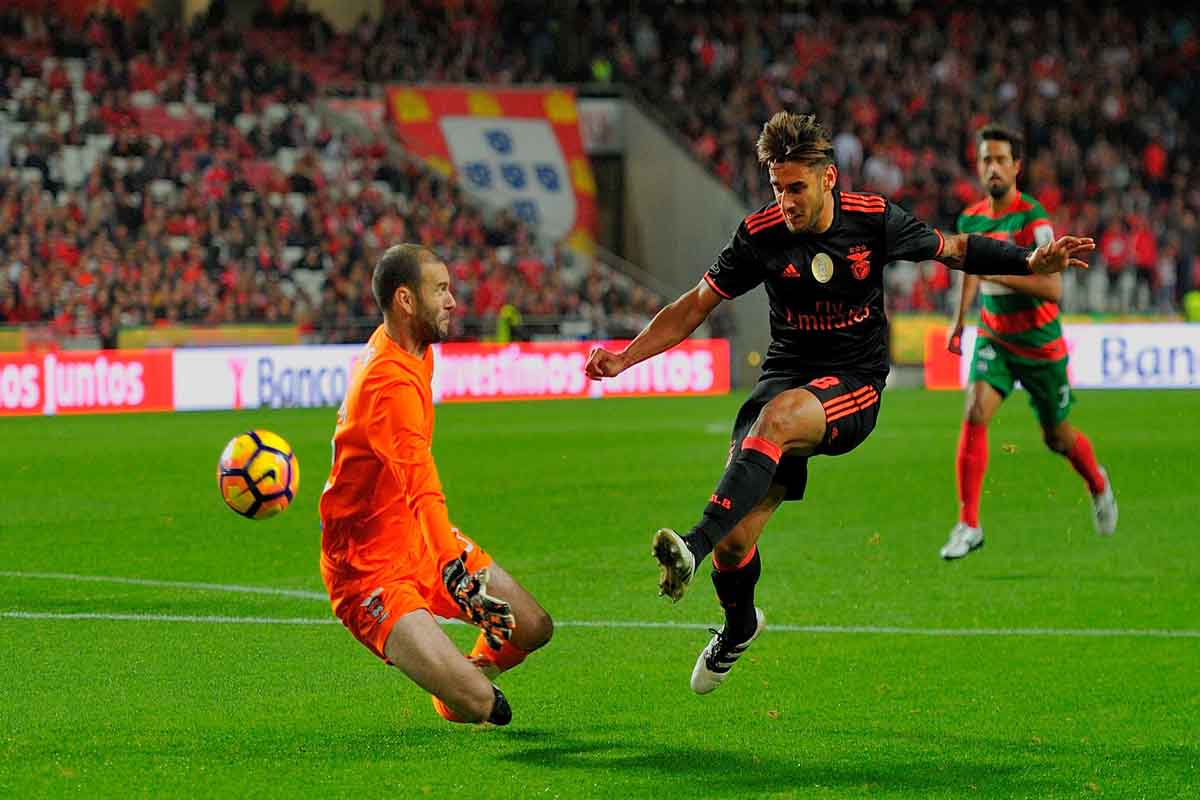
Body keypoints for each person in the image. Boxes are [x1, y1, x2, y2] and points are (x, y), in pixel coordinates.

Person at [584, 112, 1093, 694]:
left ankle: (690, 548)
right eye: (777, 188)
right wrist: (626, 356)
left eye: (796, 188)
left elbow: (954, 248)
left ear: (828, 179)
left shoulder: (872, 220)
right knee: (737, 541)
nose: (786, 201)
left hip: (853, 382)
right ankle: (739, 624)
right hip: (785, 376)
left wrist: (1028, 260)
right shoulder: (760, 234)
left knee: (771, 431)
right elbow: (695, 304)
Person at [319, 243, 553, 725]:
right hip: (368, 572)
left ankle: (463, 673)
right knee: (487, 708)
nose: (452, 301)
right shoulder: (390, 386)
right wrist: (452, 565)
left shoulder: (412, 348)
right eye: (441, 290)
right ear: (405, 300)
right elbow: (420, 484)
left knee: (533, 627)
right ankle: (459, 692)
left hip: (413, 539)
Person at [940, 125, 1117, 560]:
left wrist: (995, 271)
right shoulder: (971, 219)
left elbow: (1053, 290)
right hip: (995, 339)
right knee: (975, 410)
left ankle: (1097, 483)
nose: (993, 167)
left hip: (1040, 348)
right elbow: (968, 270)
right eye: (986, 160)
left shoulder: (1034, 221)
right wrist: (960, 322)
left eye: (1001, 159)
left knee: (1057, 438)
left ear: (1017, 166)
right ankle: (969, 524)